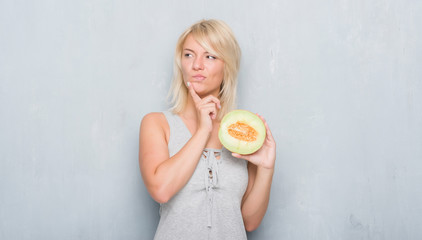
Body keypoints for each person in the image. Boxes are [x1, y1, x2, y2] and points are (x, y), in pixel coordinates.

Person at [139, 19, 276, 240]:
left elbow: (249, 221)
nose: (197, 65)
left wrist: (267, 169)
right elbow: (161, 190)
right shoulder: (157, 123)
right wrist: (203, 130)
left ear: (227, 66)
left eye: (210, 56)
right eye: (189, 54)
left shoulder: (241, 133)